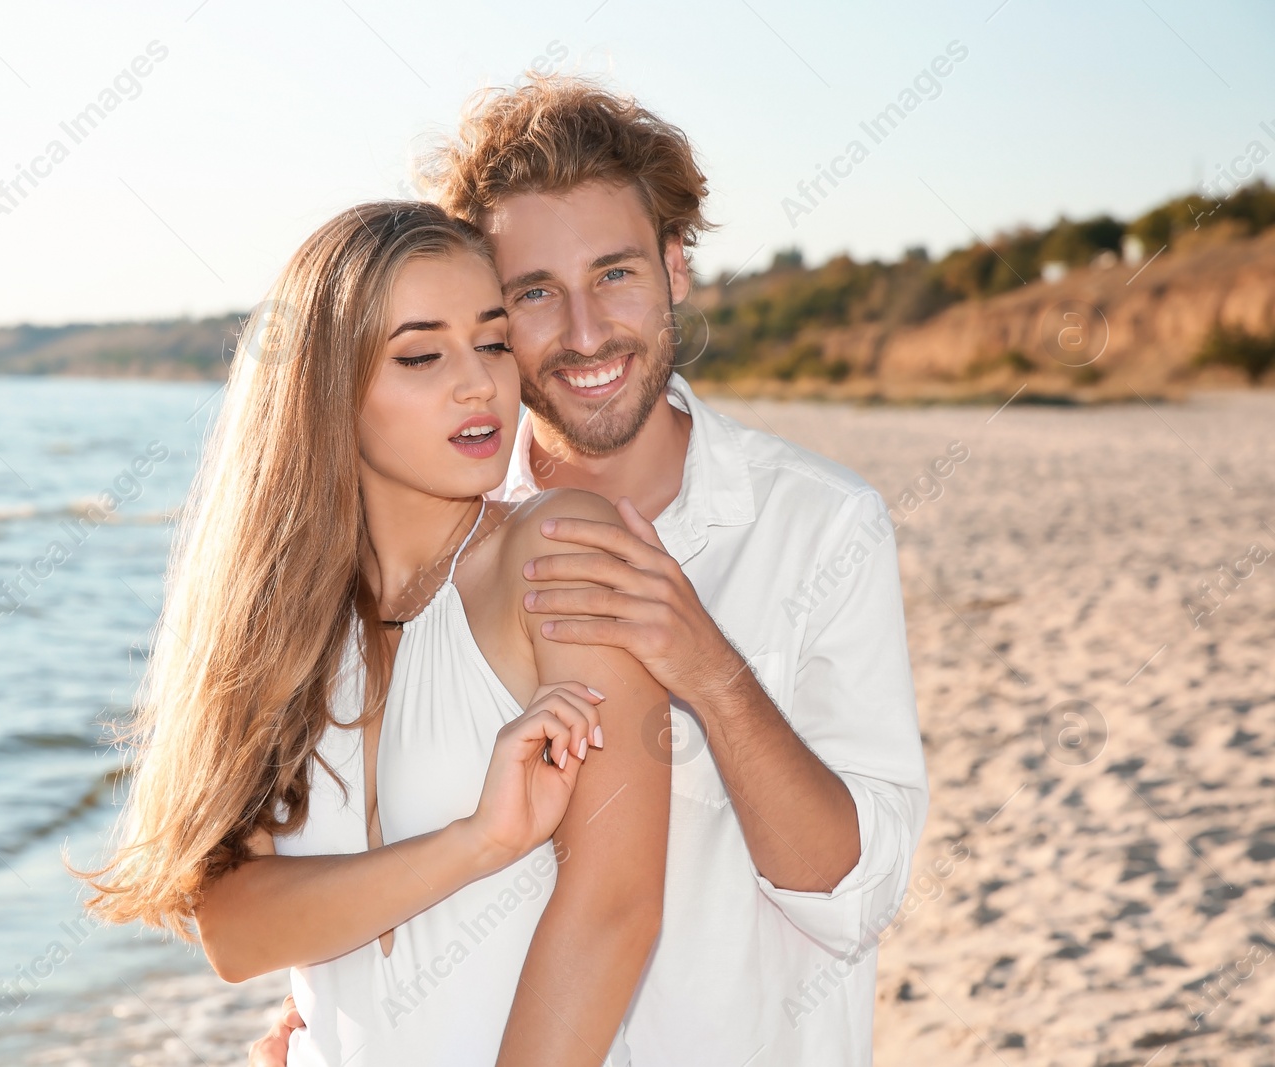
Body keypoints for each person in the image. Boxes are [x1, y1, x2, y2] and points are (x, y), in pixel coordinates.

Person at [251, 76, 929, 1066]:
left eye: (613, 273)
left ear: (675, 266)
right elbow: (349, 850)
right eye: (532, 293)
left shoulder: (820, 526)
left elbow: (855, 897)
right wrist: (336, 1012)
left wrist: (707, 665)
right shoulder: (415, 547)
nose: (581, 332)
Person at [76, 200, 671, 1066]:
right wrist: (476, 843)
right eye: (423, 355)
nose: (480, 383)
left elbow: (616, 909)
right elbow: (237, 931)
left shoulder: (560, 546)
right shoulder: (275, 617)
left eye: (495, 341)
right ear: (327, 390)